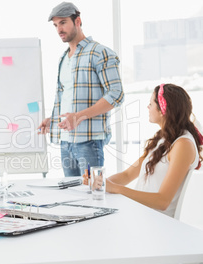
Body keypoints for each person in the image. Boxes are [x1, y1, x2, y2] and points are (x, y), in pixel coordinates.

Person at [87, 84, 202, 217]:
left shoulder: (183, 145)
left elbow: (162, 201)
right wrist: (99, 183)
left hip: (156, 222)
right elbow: (127, 175)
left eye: (151, 104)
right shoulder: (163, 139)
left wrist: (116, 189)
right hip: (142, 214)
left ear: (163, 110)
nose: (148, 107)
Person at [38, 2, 124, 177]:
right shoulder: (64, 57)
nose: (59, 30)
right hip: (65, 142)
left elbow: (117, 94)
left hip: (89, 141)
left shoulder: (100, 53)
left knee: (93, 195)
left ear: (77, 21)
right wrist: (52, 120)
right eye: (55, 25)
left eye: (63, 23)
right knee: (72, 198)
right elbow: (67, 97)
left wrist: (78, 116)